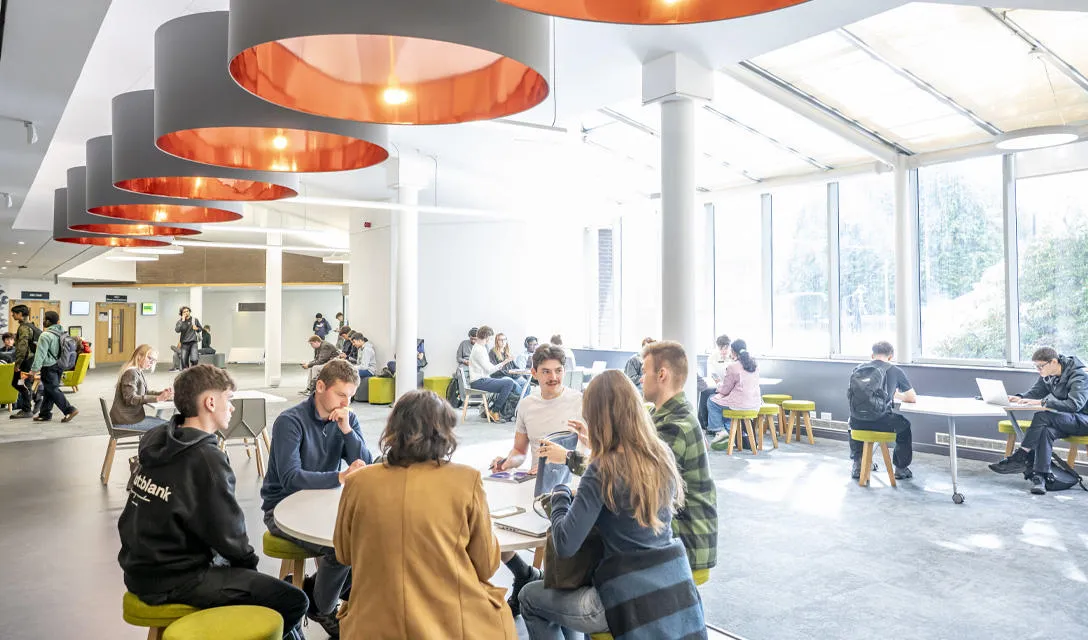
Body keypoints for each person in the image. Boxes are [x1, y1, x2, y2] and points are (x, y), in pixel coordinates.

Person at [117, 365, 309, 640]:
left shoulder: (158, 442)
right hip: (175, 579)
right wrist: (247, 569)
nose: (231, 408)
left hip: (139, 569)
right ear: (210, 402)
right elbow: (229, 532)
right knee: (294, 600)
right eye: (228, 399)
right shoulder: (206, 459)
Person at [519, 371, 700, 640]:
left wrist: (559, 497)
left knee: (529, 597)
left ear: (596, 416)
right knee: (563, 593)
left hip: (624, 598)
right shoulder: (660, 454)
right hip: (673, 589)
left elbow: (566, 543)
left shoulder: (602, 469)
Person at [334, 390, 517, 639]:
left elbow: (344, 554)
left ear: (392, 430)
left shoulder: (359, 482)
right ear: (444, 434)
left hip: (372, 622)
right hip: (452, 623)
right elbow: (486, 565)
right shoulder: (466, 480)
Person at [262, 359, 373, 637]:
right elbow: (290, 477)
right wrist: (338, 478)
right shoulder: (290, 421)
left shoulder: (347, 418)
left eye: (350, 396)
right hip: (283, 509)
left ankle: (316, 589)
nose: (346, 402)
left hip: (325, 505)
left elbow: (366, 463)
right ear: (320, 387)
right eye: (341, 394)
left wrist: (347, 430)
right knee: (341, 547)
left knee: (369, 537)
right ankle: (323, 607)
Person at [489, 344, 583, 615]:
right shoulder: (527, 405)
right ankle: (524, 572)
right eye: (546, 372)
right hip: (536, 484)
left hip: (574, 485)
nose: (553, 377)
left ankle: (540, 590)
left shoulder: (579, 401)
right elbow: (519, 451)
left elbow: (593, 447)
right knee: (490, 526)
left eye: (558, 371)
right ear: (534, 373)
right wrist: (507, 462)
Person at [637, 341, 718, 574]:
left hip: (686, 543)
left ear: (661, 374)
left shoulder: (675, 427)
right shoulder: (661, 414)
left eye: (644, 372)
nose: (641, 379)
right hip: (679, 535)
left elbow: (638, 477)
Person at [989, 346, 1088, 495]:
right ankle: (1040, 478)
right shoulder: (1048, 375)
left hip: (1083, 420)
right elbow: (1037, 391)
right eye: (1036, 366)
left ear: (1053, 362)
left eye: (1041, 366)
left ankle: (1021, 454)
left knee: (1042, 415)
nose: (1038, 370)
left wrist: (1043, 404)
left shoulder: (1078, 375)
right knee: (1045, 430)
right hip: (1068, 419)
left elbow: (1075, 405)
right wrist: (1021, 397)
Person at [846, 341, 916, 480]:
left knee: (851, 420)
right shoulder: (895, 370)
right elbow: (911, 397)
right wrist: (896, 394)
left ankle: (858, 465)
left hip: (857, 423)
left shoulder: (858, 369)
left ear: (872, 355)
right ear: (891, 357)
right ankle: (901, 468)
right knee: (905, 425)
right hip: (882, 422)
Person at [707, 338, 762, 449]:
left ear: (733, 352)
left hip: (740, 404)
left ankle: (720, 431)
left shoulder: (733, 367)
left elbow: (726, 389)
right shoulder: (754, 364)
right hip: (756, 404)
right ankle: (728, 430)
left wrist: (719, 389)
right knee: (725, 402)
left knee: (711, 400)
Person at [25, 311, 79, 423]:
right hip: (59, 365)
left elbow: (40, 355)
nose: (43, 321)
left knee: (53, 389)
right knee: (49, 390)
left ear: (48, 321)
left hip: (48, 366)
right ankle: (45, 414)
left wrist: (33, 371)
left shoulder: (45, 335)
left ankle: (69, 409)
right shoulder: (62, 332)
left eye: (44, 319)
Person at [111, 345, 174, 430]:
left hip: (130, 418)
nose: (152, 363)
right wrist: (157, 398)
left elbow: (145, 392)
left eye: (154, 360)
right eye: (149, 358)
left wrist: (162, 394)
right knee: (169, 426)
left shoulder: (137, 371)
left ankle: (153, 441)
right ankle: (152, 442)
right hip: (126, 421)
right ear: (139, 356)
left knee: (166, 424)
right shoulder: (131, 373)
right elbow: (130, 399)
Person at [470, 326, 517, 422]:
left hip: (482, 379)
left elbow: (488, 367)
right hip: (479, 381)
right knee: (508, 383)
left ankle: (498, 410)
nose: (490, 340)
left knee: (508, 384)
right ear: (487, 337)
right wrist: (505, 362)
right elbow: (489, 370)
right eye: (491, 338)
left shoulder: (480, 347)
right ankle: (494, 411)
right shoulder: (479, 350)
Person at [8, 304, 39, 419]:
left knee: (20, 383)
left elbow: (22, 347)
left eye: (14, 313)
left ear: (20, 314)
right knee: (22, 383)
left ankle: (27, 409)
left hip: (25, 361)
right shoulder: (31, 325)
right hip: (30, 359)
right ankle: (36, 399)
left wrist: (18, 364)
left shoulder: (23, 328)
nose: (12, 315)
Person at [698, 334, 731, 429]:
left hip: (731, 386)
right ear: (717, 347)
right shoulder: (712, 358)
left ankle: (721, 426)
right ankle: (705, 424)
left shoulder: (733, 356)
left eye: (726, 348)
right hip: (718, 385)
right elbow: (713, 374)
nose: (723, 351)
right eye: (721, 349)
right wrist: (720, 385)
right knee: (705, 392)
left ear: (729, 346)